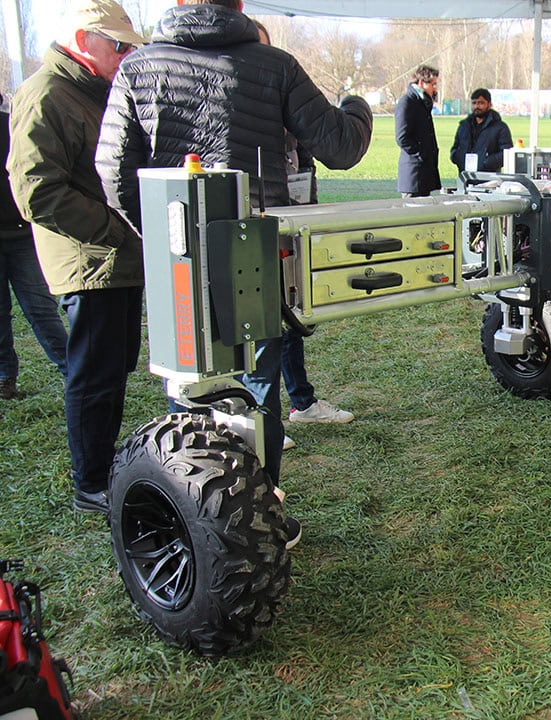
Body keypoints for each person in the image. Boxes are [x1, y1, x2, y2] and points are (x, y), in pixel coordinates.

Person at [96, 0, 373, 546]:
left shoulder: (138, 67)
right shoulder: (274, 65)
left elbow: (111, 172)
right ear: (240, 5)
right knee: (259, 382)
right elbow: (341, 145)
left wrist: (160, 236)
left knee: (188, 382)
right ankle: (261, 510)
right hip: (256, 252)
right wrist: (356, 103)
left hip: (179, 254)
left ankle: (188, 509)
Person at [7, 0, 145, 514]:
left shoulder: (93, 92)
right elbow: (37, 192)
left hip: (116, 257)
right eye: (118, 44)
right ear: (84, 40)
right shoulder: (46, 93)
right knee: (93, 374)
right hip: (90, 263)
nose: (126, 53)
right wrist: (119, 230)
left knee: (112, 368)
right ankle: (91, 482)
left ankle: (101, 466)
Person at [251, 20, 355, 452]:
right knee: (261, 330)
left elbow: (313, 153)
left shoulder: (283, 92)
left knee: (292, 316)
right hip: (253, 231)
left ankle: (302, 402)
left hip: (291, 226)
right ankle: (261, 423)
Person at [0, 92, 69, 400]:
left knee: (41, 309)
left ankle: (73, 371)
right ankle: (5, 378)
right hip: (18, 232)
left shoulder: (13, 127)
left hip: (21, 234)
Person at [395, 65, 441, 198]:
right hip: (413, 175)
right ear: (422, 83)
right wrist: (420, 154)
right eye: (433, 84)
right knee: (410, 215)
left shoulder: (422, 102)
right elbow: (402, 137)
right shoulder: (407, 102)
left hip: (424, 173)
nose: (435, 89)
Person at [450, 88, 513, 175]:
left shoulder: (500, 127)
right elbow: (455, 147)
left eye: (481, 103)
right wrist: (457, 158)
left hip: (489, 180)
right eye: (474, 103)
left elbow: (506, 153)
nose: (477, 106)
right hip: (465, 178)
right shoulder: (464, 126)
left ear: (489, 104)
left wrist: (486, 162)